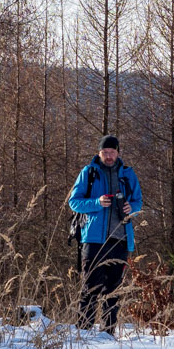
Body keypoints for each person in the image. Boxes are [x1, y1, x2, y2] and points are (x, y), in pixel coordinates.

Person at [69, 134, 142, 333]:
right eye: (105, 152)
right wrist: (96, 203)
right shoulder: (89, 172)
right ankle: (83, 332)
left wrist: (130, 208)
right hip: (92, 240)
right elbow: (73, 202)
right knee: (90, 288)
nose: (108, 156)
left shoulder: (128, 174)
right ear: (99, 153)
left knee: (113, 290)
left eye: (111, 152)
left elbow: (138, 202)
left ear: (118, 152)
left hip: (120, 239)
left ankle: (108, 333)